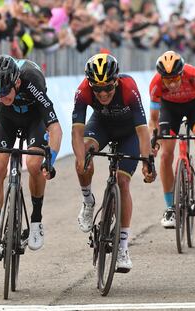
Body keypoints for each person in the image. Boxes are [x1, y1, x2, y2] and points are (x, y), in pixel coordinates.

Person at [0, 55, 62, 260]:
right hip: (7, 121)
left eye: (5, 93)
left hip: (34, 121)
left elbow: (55, 127)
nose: (1, 98)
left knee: (34, 163)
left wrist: (51, 159)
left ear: (17, 82)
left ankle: (36, 221)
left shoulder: (32, 81)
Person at [72, 53, 155, 273]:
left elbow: (142, 132)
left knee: (122, 182)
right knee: (84, 154)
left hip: (129, 133)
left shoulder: (129, 88)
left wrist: (148, 161)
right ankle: (88, 201)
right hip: (101, 126)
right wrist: (82, 160)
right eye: (97, 89)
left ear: (116, 81)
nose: (103, 93)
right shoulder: (82, 91)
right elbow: (77, 132)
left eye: (108, 88)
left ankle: (123, 247)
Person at [149, 50, 195, 228]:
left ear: (181, 73)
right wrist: (154, 141)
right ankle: (170, 207)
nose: (172, 83)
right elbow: (153, 120)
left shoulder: (193, 76)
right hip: (170, 110)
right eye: (167, 80)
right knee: (166, 154)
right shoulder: (156, 84)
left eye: (175, 78)